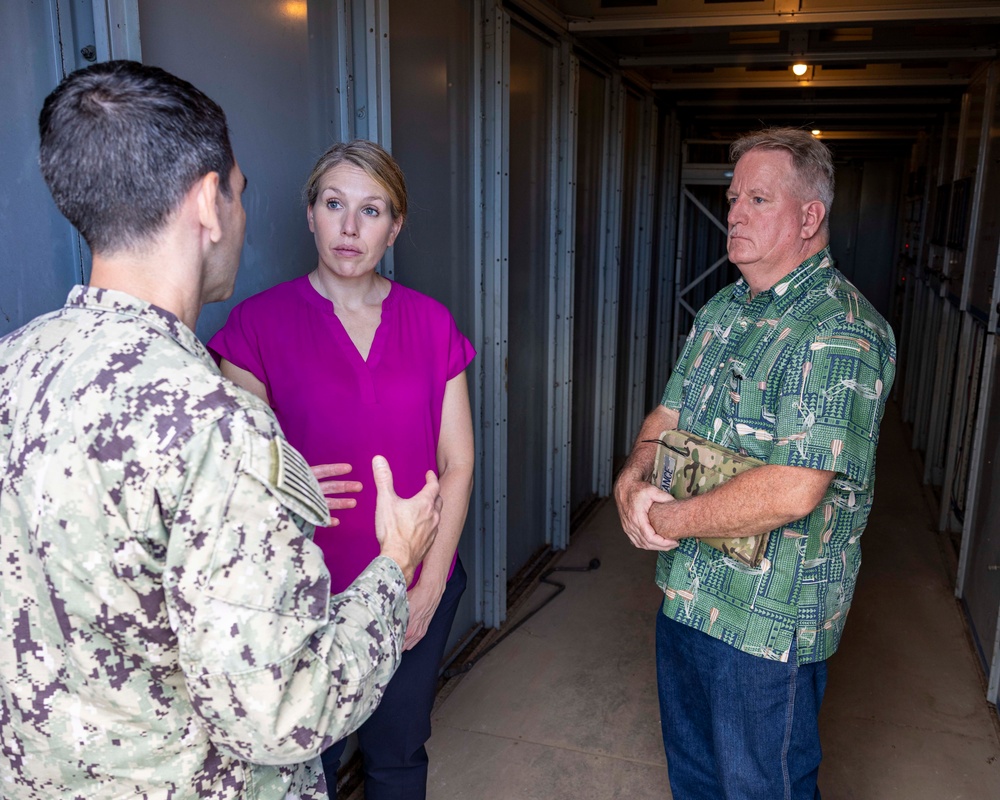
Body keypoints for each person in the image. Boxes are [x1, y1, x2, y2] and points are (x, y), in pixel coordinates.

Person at [0, 60, 443, 800]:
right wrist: (396, 565)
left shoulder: (14, 366)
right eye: (239, 192)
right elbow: (286, 712)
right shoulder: (217, 427)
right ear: (209, 202)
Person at [614, 127, 896, 799]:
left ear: (809, 217)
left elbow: (795, 487)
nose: (734, 212)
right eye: (733, 197)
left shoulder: (840, 330)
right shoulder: (723, 308)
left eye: (757, 199)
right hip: (689, 599)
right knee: (696, 781)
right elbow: (668, 416)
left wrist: (673, 518)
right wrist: (631, 482)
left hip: (767, 626)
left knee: (759, 787)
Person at [208, 139, 475, 799]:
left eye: (372, 209)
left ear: (396, 224)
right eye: (335, 204)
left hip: (414, 577)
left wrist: (431, 582)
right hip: (302, 595)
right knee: (307, 765)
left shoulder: (430, 321)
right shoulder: (256, 326)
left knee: (397, 754)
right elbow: (235, 478)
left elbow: (459, 460)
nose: (351, 228)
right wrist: (287, 483)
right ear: (310, 214)